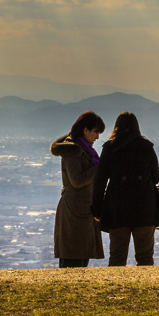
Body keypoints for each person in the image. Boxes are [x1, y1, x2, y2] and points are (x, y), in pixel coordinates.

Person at [91, 111, 159, 266]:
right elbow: (156, 177)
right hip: (145, 207)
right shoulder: (147, 147)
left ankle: (116, 289)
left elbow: (100, 180)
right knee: (145, 257)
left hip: (117, 208)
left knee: (117, 257)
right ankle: (145, 289)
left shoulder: (110, 148)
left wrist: (97, 209)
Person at [51, 110, 106, 268]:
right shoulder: (72, 150)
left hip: (84, 207)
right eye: (96, 132)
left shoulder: (86, 149)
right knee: (72, 257)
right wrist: (100, 168)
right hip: (73, 209)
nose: (97, 137)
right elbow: (76, 180)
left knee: (82, 255)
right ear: (85, 130)